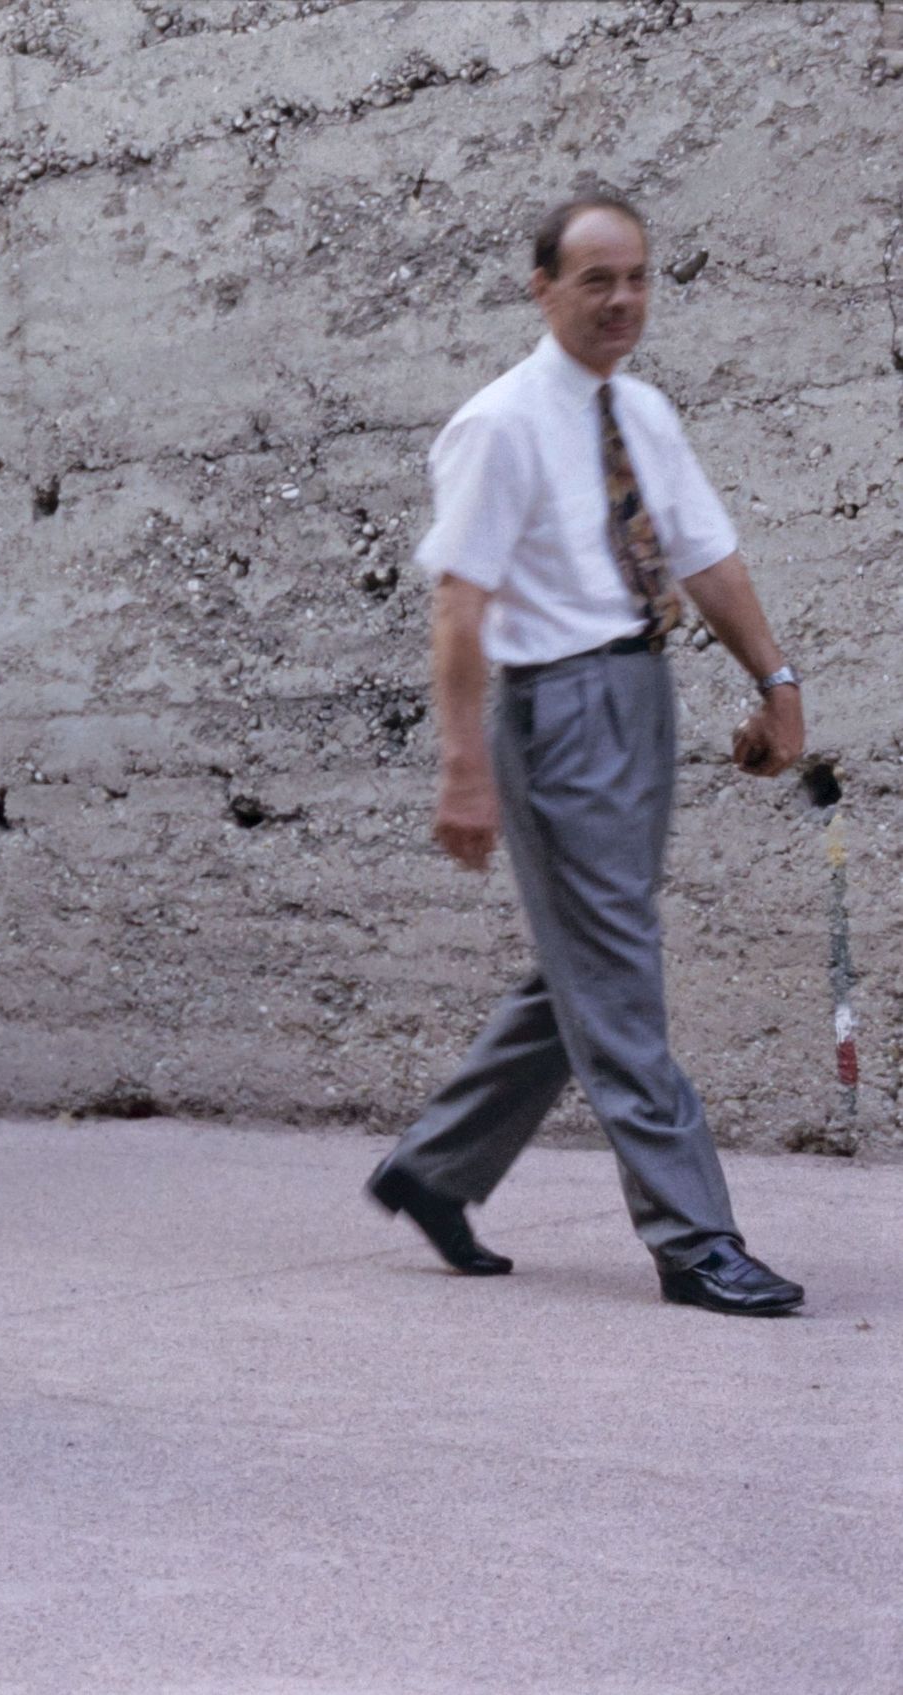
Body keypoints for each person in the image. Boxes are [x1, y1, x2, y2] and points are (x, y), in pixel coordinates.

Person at [367, 195, 808, 1316]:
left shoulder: (643, 413)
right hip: (555, 711)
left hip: (638, 689)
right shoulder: (498, 425)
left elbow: (707, 559)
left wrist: (776, 685)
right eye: (596, 280)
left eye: (639, 279)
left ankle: (434, 1167)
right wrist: (464, 769)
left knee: (586, 960)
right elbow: (459, 611)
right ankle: (694, 1237)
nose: (622, 301)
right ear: (542, 287)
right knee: (614, 969)